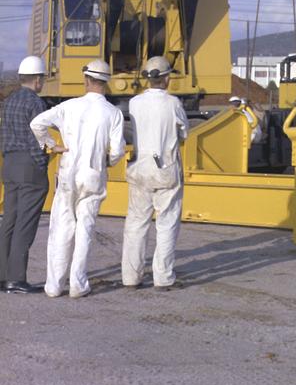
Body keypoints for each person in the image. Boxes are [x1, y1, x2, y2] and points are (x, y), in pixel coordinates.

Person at [30, 58, 125, 298]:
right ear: (106, 82)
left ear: (86, 80)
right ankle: (77, 284)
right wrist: (106, 163)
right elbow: (117, 152)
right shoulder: (113, 113)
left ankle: (53, 286)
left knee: (62, 227)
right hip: (93, 174)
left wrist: (52, 145)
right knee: (85, 228)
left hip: (68, 172)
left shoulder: (68, 107)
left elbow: (37, 123)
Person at [122, 56, 188, 290]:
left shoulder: (134, 103)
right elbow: (183, 134)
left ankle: (130, 277)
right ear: (167, 78)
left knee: (136, 224)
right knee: (167, 224)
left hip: (139, 169)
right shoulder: (173, 103)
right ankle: (163, 277)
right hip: (165, 171)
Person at [0, 56, 51, 293]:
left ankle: (2, 276)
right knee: (25, 223)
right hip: (29, 166)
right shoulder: (36, 104)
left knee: (9, 220)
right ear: (38, 79)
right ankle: (16, 279)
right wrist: (43, 162)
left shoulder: (9, 101)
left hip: (9, 164)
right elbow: (37, 141)